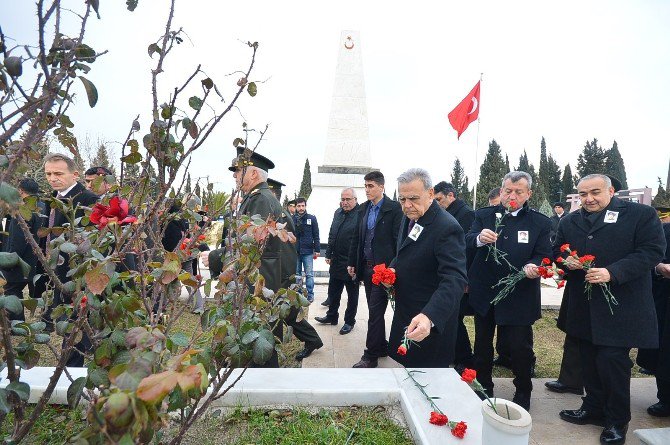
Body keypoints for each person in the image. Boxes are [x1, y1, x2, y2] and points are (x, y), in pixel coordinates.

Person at [555, 174, 665, 445]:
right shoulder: (570, 220)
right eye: (583, 194)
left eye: (595, 192)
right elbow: (557, 250)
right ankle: (593, 408)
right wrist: (565, 262)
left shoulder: (640, 215)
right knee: (588, 358)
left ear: (611, 191)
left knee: (611, 362)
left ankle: (617, 420)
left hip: (622, 305)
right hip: (583, 303)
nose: (589, 199)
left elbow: (652, 251)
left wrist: (612, 272)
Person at [467, 171, 552, 411]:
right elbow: (467, 240)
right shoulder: (483, 216)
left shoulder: (539, 222)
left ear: (528, 194)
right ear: (501, 191)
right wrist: (479, 238)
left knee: (519, 347)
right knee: (482, 345)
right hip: (486, 292)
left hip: (519, 293)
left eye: (518, 191)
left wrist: (534, 265)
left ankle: (523, 390)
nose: (512, 195)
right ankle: (484, 387)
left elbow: (545, 254)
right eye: (507, 190)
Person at [229, 148, 323, 363]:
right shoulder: (256, 197)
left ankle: (265, 373)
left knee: (267, 327)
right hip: (272, 274)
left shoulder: (260, 199)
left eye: (239, 170)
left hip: (267, 277)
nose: (234, 175)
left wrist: (217, 259)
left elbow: (252, 244)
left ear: (254, 174)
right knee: (283, 316)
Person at [388, 169, 467, 367]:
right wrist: (391, 270)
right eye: (402, 199)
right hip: (407, 311)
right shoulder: (411, 216)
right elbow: (406, 251)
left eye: (413, 198)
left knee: (428, 382)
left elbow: (455, 279)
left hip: (428, 320)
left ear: (430, 194)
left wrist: (430, 316)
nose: (406, 205)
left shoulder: (447, 227)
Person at [41, 153, 99, 366]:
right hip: (59, 269)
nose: (52, 178)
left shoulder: (88, 200)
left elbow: (93, 240)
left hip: (79, 272)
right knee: (68, 318)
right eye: (48, 174)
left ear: (75, 174)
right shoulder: (53, 199)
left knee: (77, 320)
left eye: (58, 173)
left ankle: (72, 365)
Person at [348, 170, 403, 368]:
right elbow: (357, 238)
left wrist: (393, 268)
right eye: (365, 186)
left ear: (382, 187)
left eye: (371, 186)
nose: (367, 190)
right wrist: (353, 263)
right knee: (375, 312)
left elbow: (399, 242)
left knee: (375, 311)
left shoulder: (394, 209)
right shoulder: (363, 209)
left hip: (384, 271)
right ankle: (380, 346)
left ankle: (370, 355)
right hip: (367, 269)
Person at [434, 181, 475, 371]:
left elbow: (465, 249)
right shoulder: (446, 214)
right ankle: (454, 354)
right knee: (450, 316)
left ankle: (465, 358)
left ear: (451, 196)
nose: (437, 203)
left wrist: (464, 277)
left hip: (458, 276)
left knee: (455, 317)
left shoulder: (466, 214)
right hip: (447, 273)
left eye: (440, 199)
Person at [314, 188, 360, 335]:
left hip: (351, 262)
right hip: (336, 260)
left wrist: (356, 263)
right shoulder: (337, 212)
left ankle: (349, 321)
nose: (345, 202)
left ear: (355, 200)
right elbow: (332, 233)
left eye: (348, 199)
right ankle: (332, 316)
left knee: (352, 295)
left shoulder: (361, 214)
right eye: (343, 199)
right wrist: (328, 252)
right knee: (333, 291)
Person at [0, 178, 46, 321]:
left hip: (20, 260)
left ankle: (17, 323)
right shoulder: (42, 206)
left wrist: (10, 261)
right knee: (16, 290)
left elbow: (17, 240)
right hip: (33, 258)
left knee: (12, 290)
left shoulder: (22, 210)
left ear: (20, 191)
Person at [644, 205, 670, 417]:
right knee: (665, 351)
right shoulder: (666, 230)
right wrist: (660, 267)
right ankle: (666, 399)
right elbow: (650, 257)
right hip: (665, 299)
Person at [293, 197, 320, 303]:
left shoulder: (311, 219)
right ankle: (298, 294)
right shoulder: (292, 219)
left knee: (309, 274)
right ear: (296, 207)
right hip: (296, 251)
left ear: (305, 206)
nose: (301, 208)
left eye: (303, 206)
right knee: (297, 274)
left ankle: (310, 294)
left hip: (308, 251)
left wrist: (317, 249)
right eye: (299, 206)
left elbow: (316, 235)